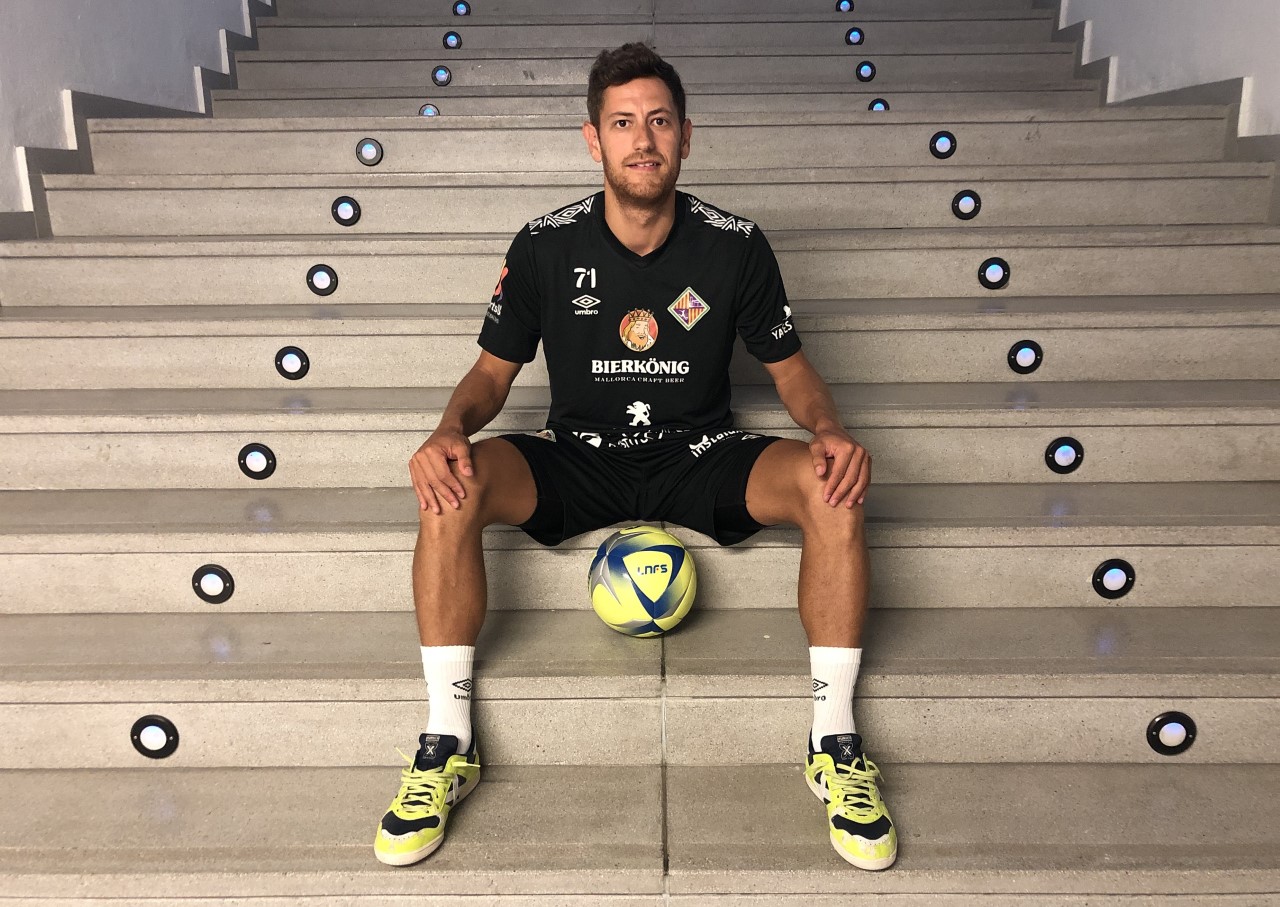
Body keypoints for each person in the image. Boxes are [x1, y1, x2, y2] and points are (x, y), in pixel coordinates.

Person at [375, 42, 896, 872]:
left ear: (687, 135)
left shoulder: (734, 245)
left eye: (658, 121)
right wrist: (448, 431)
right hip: (578, 456)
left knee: (833, 485)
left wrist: (828, 428)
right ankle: (448, 740)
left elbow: (793, 371)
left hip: (700, 452)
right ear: (594, 139)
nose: (642, 140)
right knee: (452, 483)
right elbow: (490, 374)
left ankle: (833, 742)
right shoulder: (545, 245)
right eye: (623, 123)